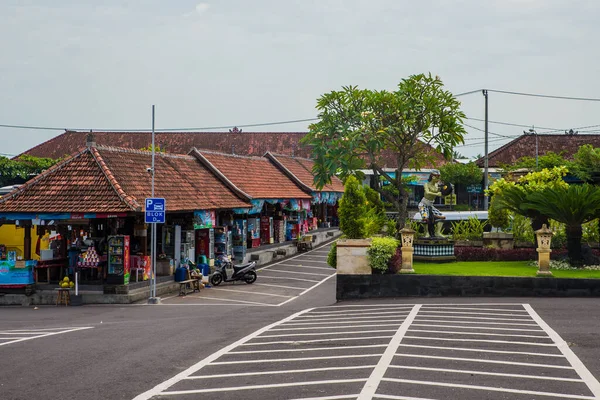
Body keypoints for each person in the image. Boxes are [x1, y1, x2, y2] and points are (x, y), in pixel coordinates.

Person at [418, 170, 446, 238]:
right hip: (423, 205)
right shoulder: (426, 184)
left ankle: (437, 232)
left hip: (431, 206)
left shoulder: (437, 186)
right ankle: (426, 233)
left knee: (442, 217)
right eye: (437, 177)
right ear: (432, 177)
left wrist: (444, 193)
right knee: (425, 217)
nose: (438, 179)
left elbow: (441, 194)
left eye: (439, 177)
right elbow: (427, 192)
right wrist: (437, 194)